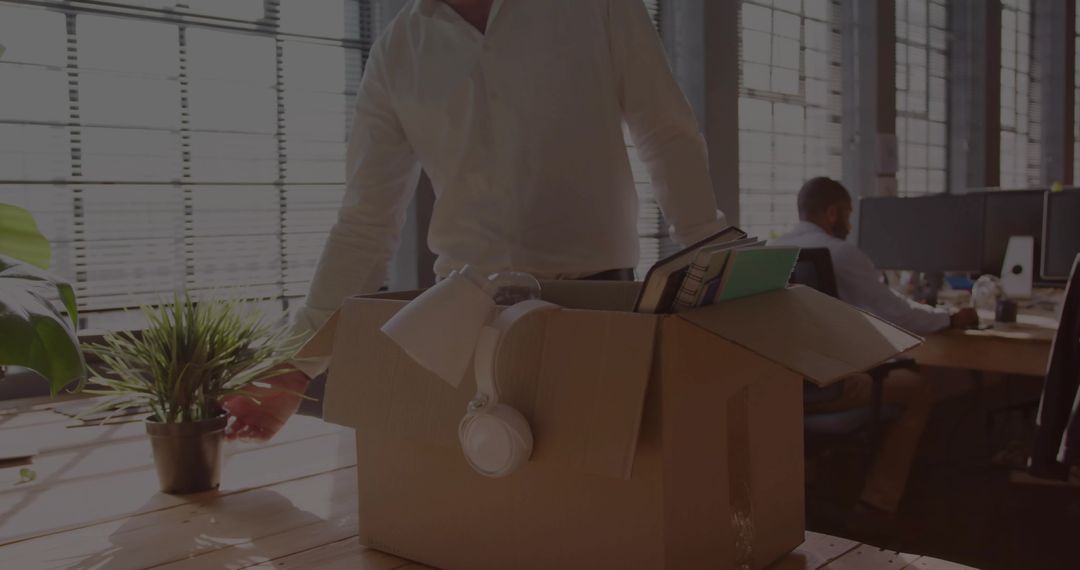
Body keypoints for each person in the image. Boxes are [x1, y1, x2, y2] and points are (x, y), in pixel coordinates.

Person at [223, 0, 726, 441]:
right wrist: (295, 365)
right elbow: (365, 223)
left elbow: (665, 131)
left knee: (598, 495)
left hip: (596, 306)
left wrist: (711, 262)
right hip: (461, 317)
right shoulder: (397, 51)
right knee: (479, 516)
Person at [772, 177, 979, 521]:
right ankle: (877, 502)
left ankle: (815, 481)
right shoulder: (841, 252)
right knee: (922, 388)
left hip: (783, 391)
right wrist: (951, 318)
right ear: (832, 212)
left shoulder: (768, 252)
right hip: (835, 388)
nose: (850, 224)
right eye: (848, 215)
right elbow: (898, 313)